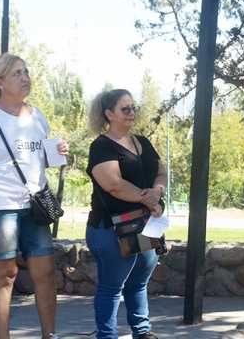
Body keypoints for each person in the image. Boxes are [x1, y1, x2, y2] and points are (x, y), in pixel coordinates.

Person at [0, 53, 67, 339]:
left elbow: (38, 160)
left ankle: (50, 335)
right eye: (17, 74)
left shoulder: (37, 116)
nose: (25, 78)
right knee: (5, 275)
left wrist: (56, 154)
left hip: (35, 205)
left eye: (26, 72)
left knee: (45, 274)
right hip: (0, 206)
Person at [85, 89, 165, 339]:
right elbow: (114, 185)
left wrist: (157, 191)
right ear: (109, 113)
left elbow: (161, 172)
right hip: (111, 229)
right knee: (111, 287)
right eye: (125, 109)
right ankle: (106, 335)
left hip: (144, 224)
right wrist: (148, 198)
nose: (132, 113)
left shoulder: (143, 142)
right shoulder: (101, 147)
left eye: (134, 108)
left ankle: (142, 331)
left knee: (139, 281)